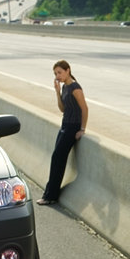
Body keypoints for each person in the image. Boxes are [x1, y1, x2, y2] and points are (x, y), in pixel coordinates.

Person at [37, 59, 89, 205]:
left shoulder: (75, 87)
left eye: (60, 72)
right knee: (56, 159)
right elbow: (63, 109)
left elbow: (85, 109)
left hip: (73, 127)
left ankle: (50, 196)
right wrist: (57, 92)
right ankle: (50, 195)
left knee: (58, 159)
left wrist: (82, 129)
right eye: (55, 73)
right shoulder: (65, 87)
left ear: (68, 71)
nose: (57, 76)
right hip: (65, 125)